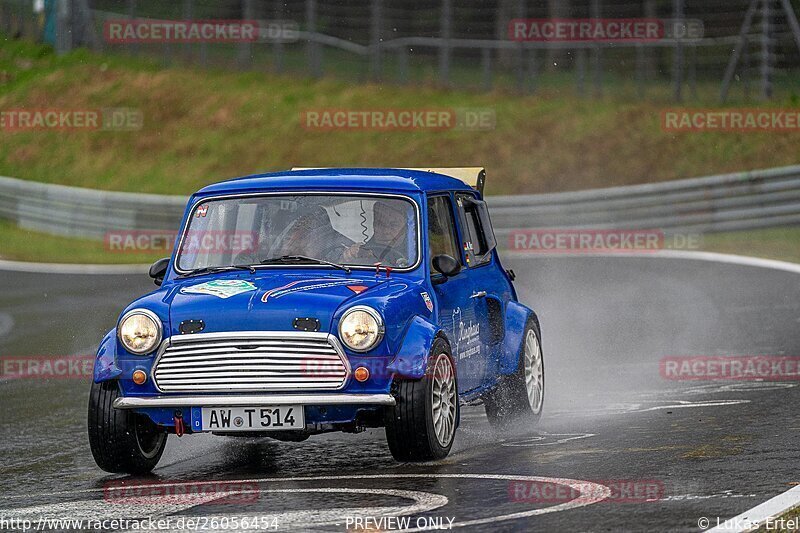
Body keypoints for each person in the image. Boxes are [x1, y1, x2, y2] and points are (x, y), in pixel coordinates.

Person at [341, 200, 410, 267]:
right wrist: (348, 257)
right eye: (380, 224)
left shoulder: (415, 253)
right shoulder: (362, 252)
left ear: (405, 228)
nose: (386, 231)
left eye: (394, 225)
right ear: (374, 224)